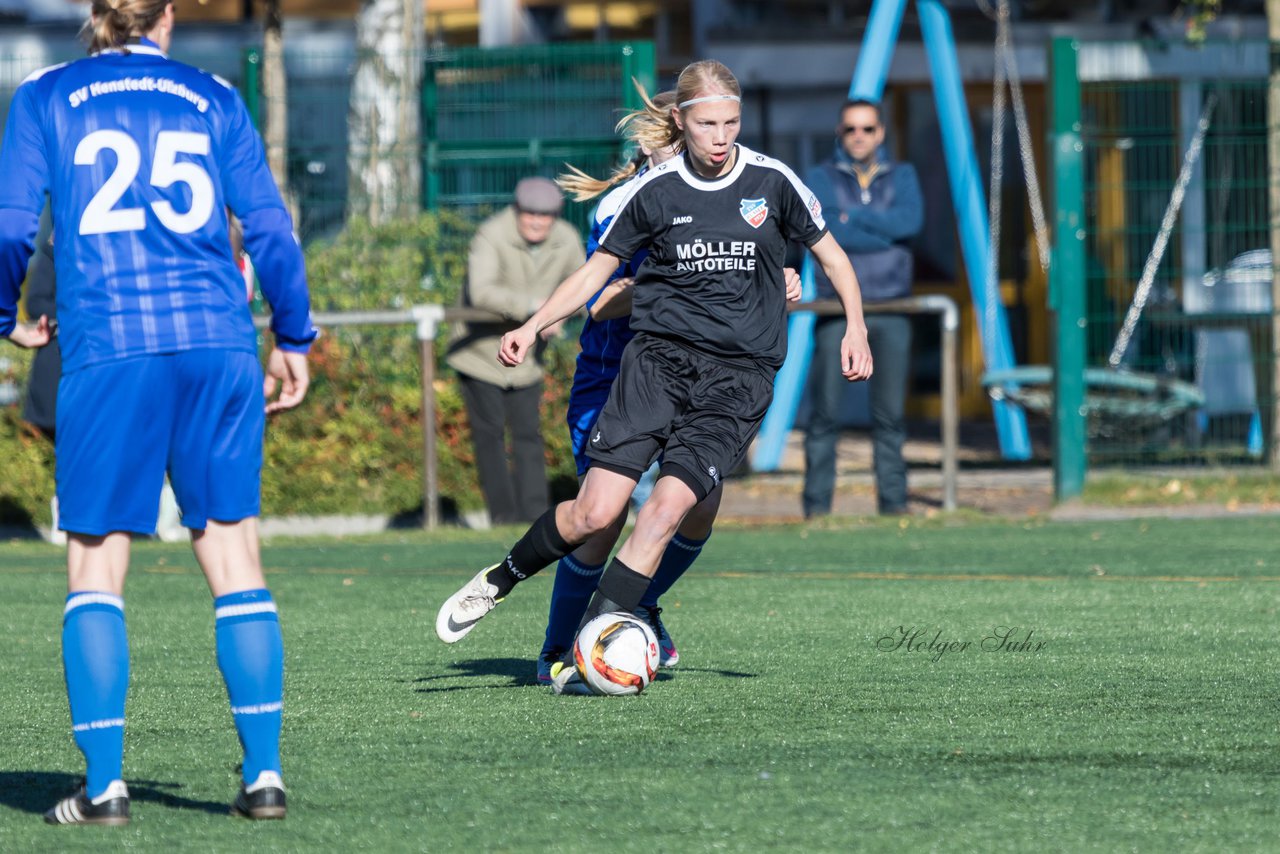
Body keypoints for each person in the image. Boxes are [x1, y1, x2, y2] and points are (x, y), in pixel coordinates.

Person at [435, 59, 873, 694]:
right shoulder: (649, 195)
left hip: (736, 378)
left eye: (731, 123)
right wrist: (532, 326)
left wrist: (852, 326)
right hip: (652, 367)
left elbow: (832, 255)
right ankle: (507, 581)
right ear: (679, 125)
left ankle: (595, 642)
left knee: (673, 509)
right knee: (595, 515)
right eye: (707, 125)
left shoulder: (773, 182)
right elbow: (596, 281)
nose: (721, 137)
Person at [0, 0, 316, 825]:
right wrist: (295, 334)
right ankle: (265, 777)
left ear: (98, 15)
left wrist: (8, 317)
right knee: (235, 557)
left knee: (96, 566)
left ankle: (104, 786)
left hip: (110, 346)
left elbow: (8, 229)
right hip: (217, 343)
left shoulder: (45, 94)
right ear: (167, 16)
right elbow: (271, 229)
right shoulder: (213, 95)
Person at [535, 96, 805, 683]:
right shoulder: (626, 204)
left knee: (698, 502)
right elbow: (601, 300)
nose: (708, 152)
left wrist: (766, 276)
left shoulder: (725, 192)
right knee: (601, 518)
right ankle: (559, 648)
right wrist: (670, 278)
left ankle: (639, 604)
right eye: (686, 141)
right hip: (615, 375)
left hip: (698, 371)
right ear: (660, 142)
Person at [802, 98, 923, 517]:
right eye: (851, 128)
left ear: (881, 133)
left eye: (867, 129)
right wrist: (874, 230)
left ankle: (894, 505)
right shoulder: (818, 176)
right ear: (840, 132)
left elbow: (910, 224)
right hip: (835, 311)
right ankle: (816, 510)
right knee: (825, 414)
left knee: (890, 417)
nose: (859, 136)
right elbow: (825, 232)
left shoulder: (903, 174)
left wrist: (851, 220)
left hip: (893, 308)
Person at [446, 177, 585, 525]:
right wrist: (537, 311)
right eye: (530, 214)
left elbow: (584, 288)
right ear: (517, 210)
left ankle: (536, 517)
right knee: (489, 437)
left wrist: (557, 313)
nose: (537, 221)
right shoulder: (491, 234)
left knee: (528, 436)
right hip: (480, 355)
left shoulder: (566, 239)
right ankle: (503, 518)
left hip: (527, 361)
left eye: (546, 215)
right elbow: (482, 293)